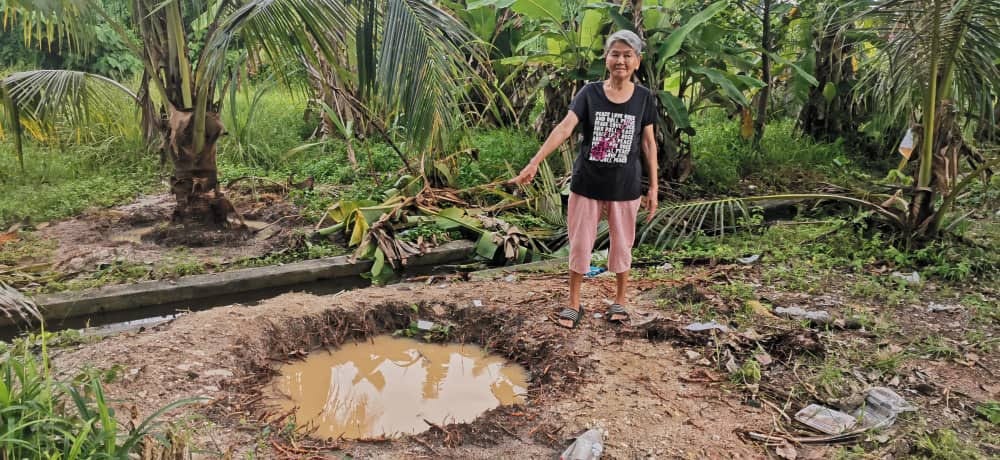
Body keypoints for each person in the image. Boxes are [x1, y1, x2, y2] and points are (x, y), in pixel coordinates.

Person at [509, 30, 659, 329]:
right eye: (615, 54)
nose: (621, 60)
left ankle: (620, 301)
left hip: (625, 187)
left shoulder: (644, 98)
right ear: (606, 59)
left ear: (637, 62)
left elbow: (648, 143)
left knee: (622, 245)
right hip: (587, 184)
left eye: (628, 55)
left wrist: (653, 186)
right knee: (580, 245)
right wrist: (535, 162)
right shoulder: (589, 93)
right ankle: (574, 303)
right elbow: (565, 128)